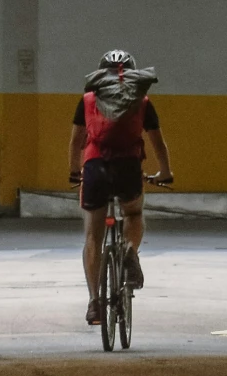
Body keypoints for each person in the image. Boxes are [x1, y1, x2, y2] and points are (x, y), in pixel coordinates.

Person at [68, 48, 172, 326]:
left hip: (94, 168)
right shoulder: (142, 100)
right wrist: (165, 172)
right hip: (128, 167)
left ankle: (94, 303)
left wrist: (74, 171)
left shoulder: (88, 98)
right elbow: (158, 144)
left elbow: (77, 141)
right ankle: (129, 251)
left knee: (93, 236)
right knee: (134, 214)